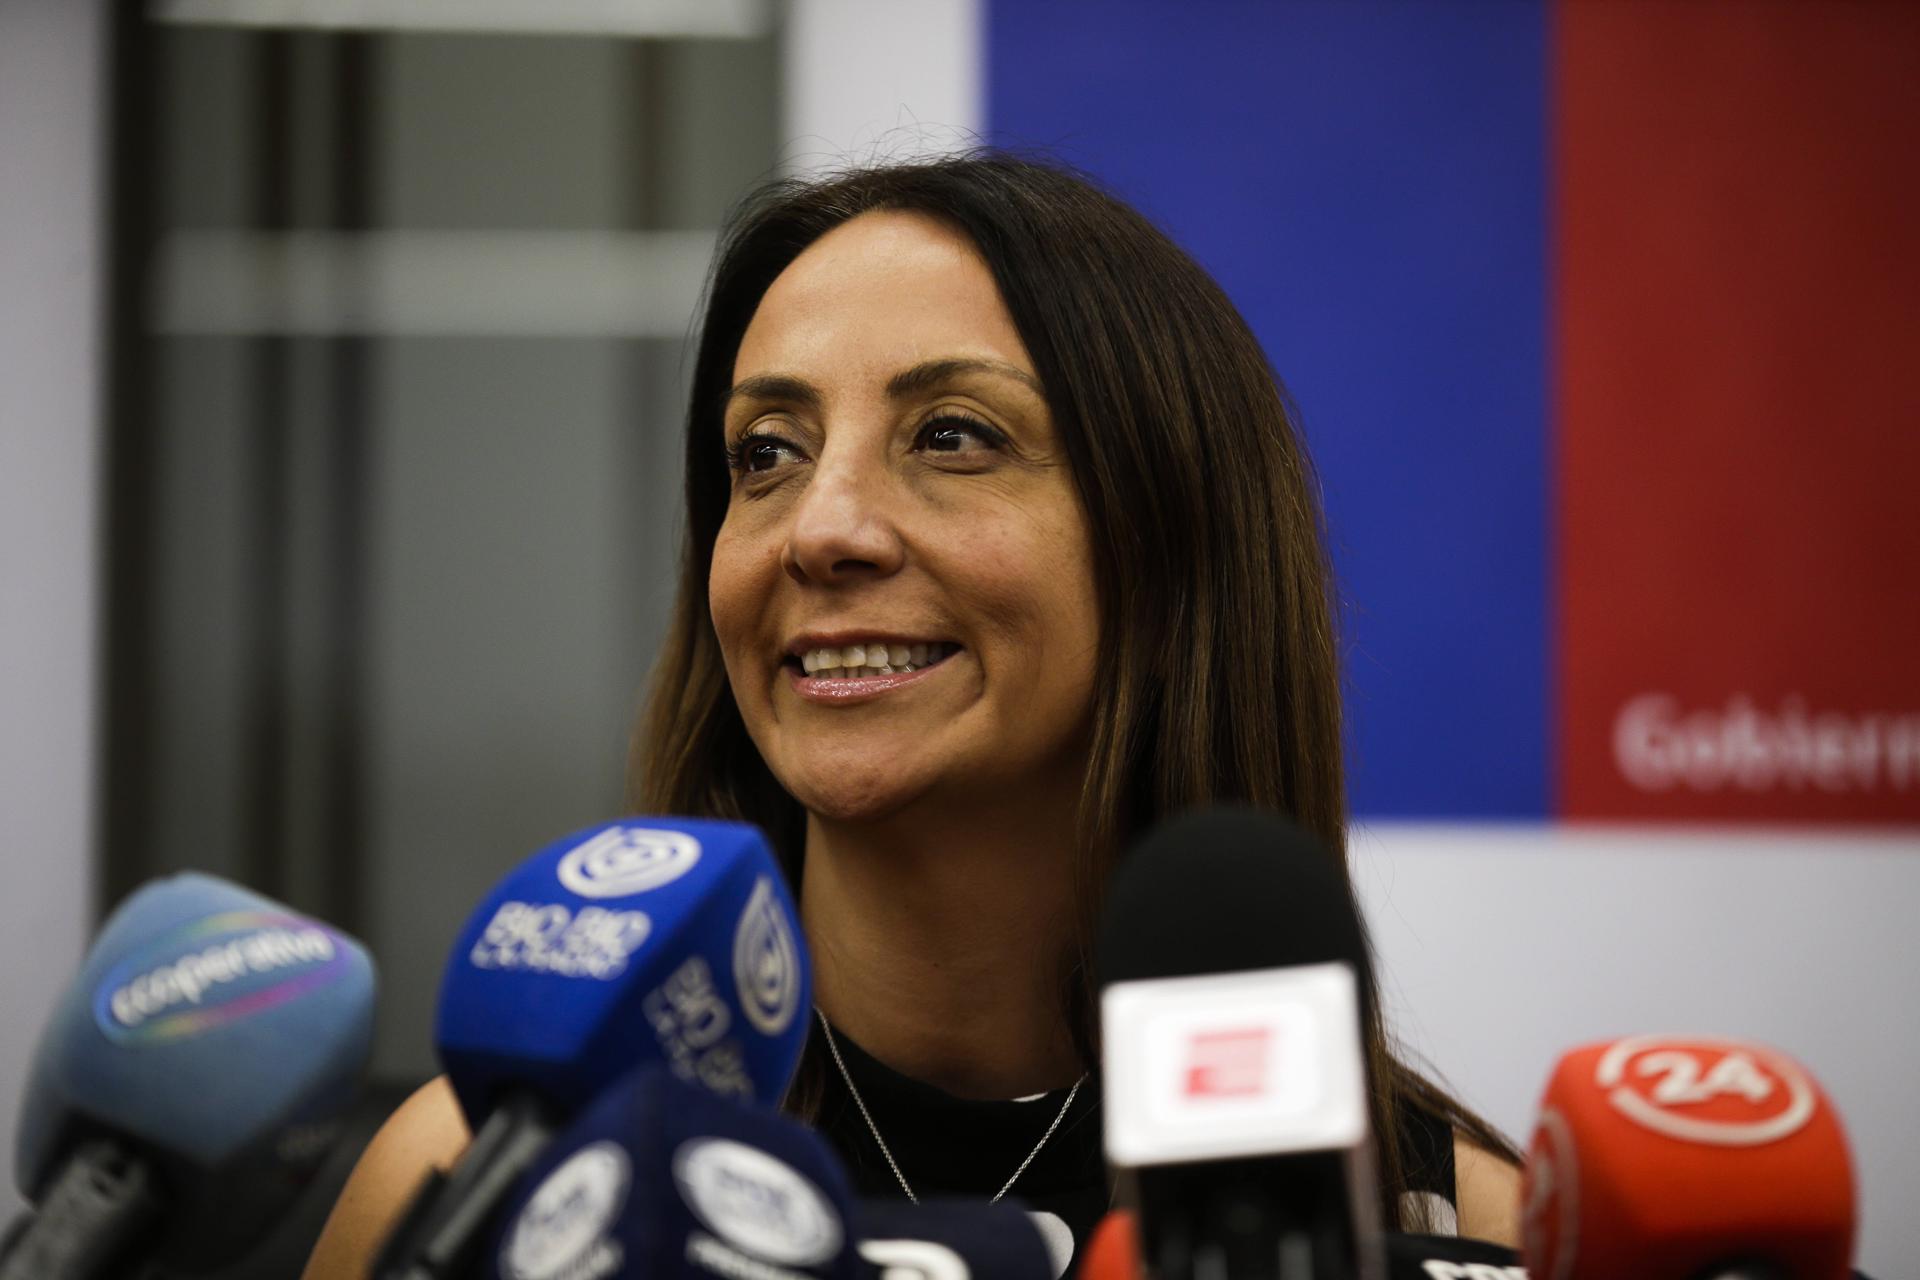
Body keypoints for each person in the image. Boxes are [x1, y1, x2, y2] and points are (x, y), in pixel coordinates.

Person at [302, 152, 1521, 1280]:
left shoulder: (1461, 1225)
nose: (821, 527)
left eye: (951, 436)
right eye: (766, 452)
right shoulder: (492, 1180)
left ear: (1171, 548)